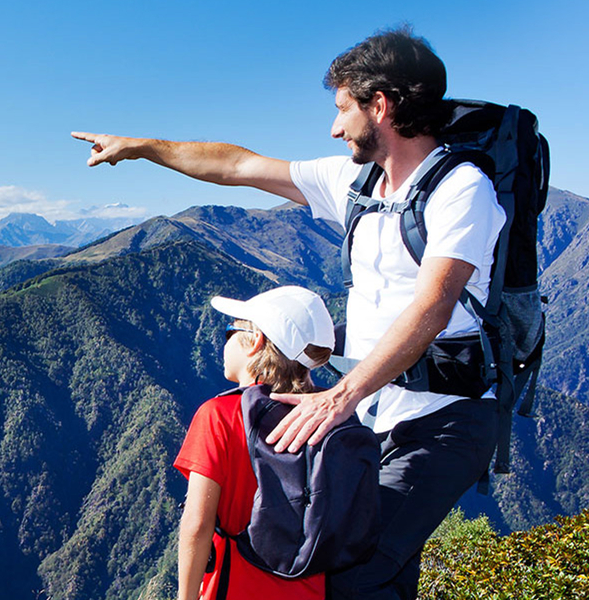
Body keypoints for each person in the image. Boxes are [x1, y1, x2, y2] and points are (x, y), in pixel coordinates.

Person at [74, 25, 503, 600]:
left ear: (380, 106)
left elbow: (433, 305)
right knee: (374, 571)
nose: (334, 128)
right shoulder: (356, 182)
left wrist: (341, 394)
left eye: (343, 108)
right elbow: (238, 166)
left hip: (442, 419)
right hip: (367, 418)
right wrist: (145, 147)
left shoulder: (462, 190)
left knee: (347, 571)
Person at [176, 286, 336, 600]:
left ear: (256, 341)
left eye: (230, 332)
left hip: (235, 586)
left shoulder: (220, 415)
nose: (225, 342)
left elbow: (197, 524)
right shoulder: (329, 416)